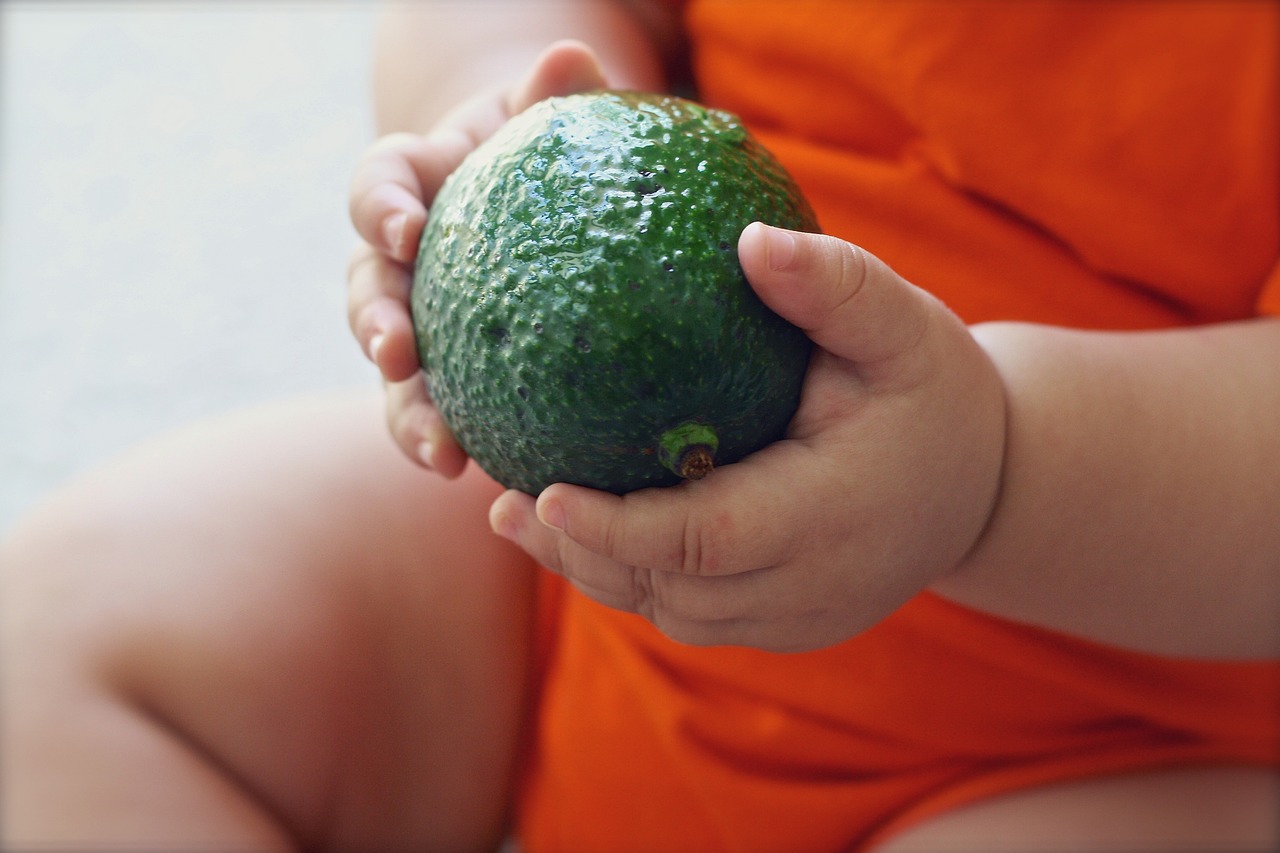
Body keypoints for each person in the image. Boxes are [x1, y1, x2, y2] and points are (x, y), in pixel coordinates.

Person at [3, 1, 1278, 850]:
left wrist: (992, 469)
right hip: (571, 561)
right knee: (51, 652)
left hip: (1090, 729)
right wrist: (504, 119)